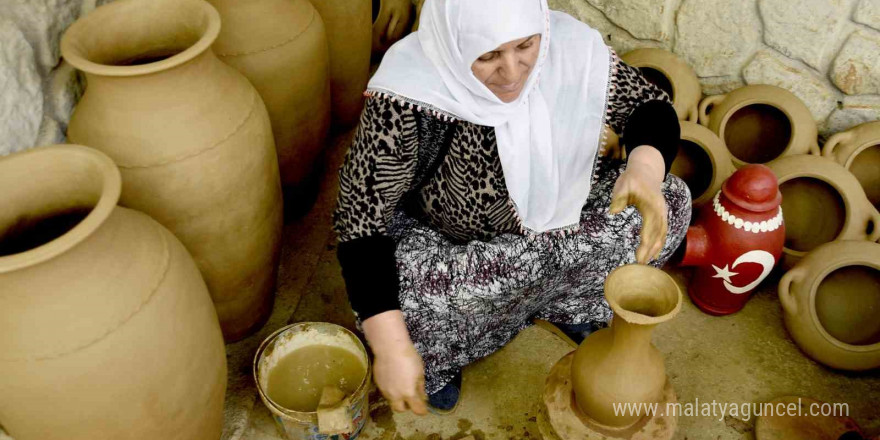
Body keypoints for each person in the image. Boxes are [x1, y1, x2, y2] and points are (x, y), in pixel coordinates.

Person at [333, 0, 691, 415]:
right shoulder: (408, 93)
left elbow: (650, 106)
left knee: (670, 200)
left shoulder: (568, 48)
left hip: (550, 225)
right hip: (450, 244)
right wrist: (391, 347)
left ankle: (563, 303)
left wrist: (644, 169)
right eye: (487, 56)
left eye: (525, 45)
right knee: (401, 299)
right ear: (453, 43)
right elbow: (360, 220)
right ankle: (438, 356)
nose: (513, 71)